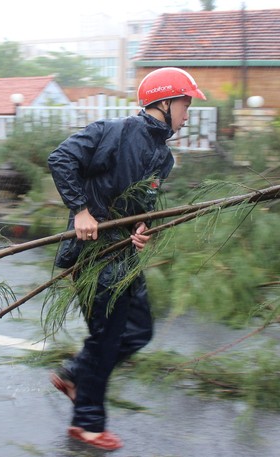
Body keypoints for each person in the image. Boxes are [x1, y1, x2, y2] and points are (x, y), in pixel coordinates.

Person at [47, 67, 206, 451]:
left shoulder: (163, 157)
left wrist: (143, 229)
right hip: (95, 255)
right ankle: (86, 424)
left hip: (124, 256)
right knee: (106, 339)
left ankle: (74, 374)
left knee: (139, 331)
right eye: (186, 104)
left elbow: (142, 204)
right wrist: (81, 211)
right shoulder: (114, 132)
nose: (189, 112)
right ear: (165, 102)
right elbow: (61, 159)